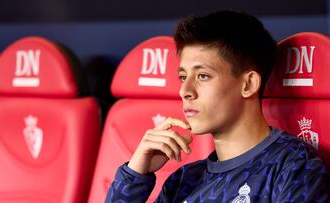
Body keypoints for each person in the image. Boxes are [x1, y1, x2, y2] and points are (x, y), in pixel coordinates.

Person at [105, 10, 330, 202]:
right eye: (183, 77)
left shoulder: (293, 167)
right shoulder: (185, 179)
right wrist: (136, 173)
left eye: (202, 76)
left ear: (249, 83)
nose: (185, 91)